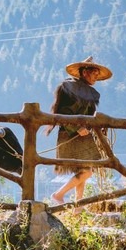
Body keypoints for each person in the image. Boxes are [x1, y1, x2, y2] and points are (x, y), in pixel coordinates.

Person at [44, 56, 112, 205]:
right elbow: (62, 113)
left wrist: (95, 125)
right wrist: (77, 128)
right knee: (86, 172)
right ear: (85, 72)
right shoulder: (69, 88)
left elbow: (88, 116)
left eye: (96, 73)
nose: (96, 76)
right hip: (69, 135)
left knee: (83, 171)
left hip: (83, 136)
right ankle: (58, 195)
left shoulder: (90, 92)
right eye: (94, 72)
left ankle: (77, 208)